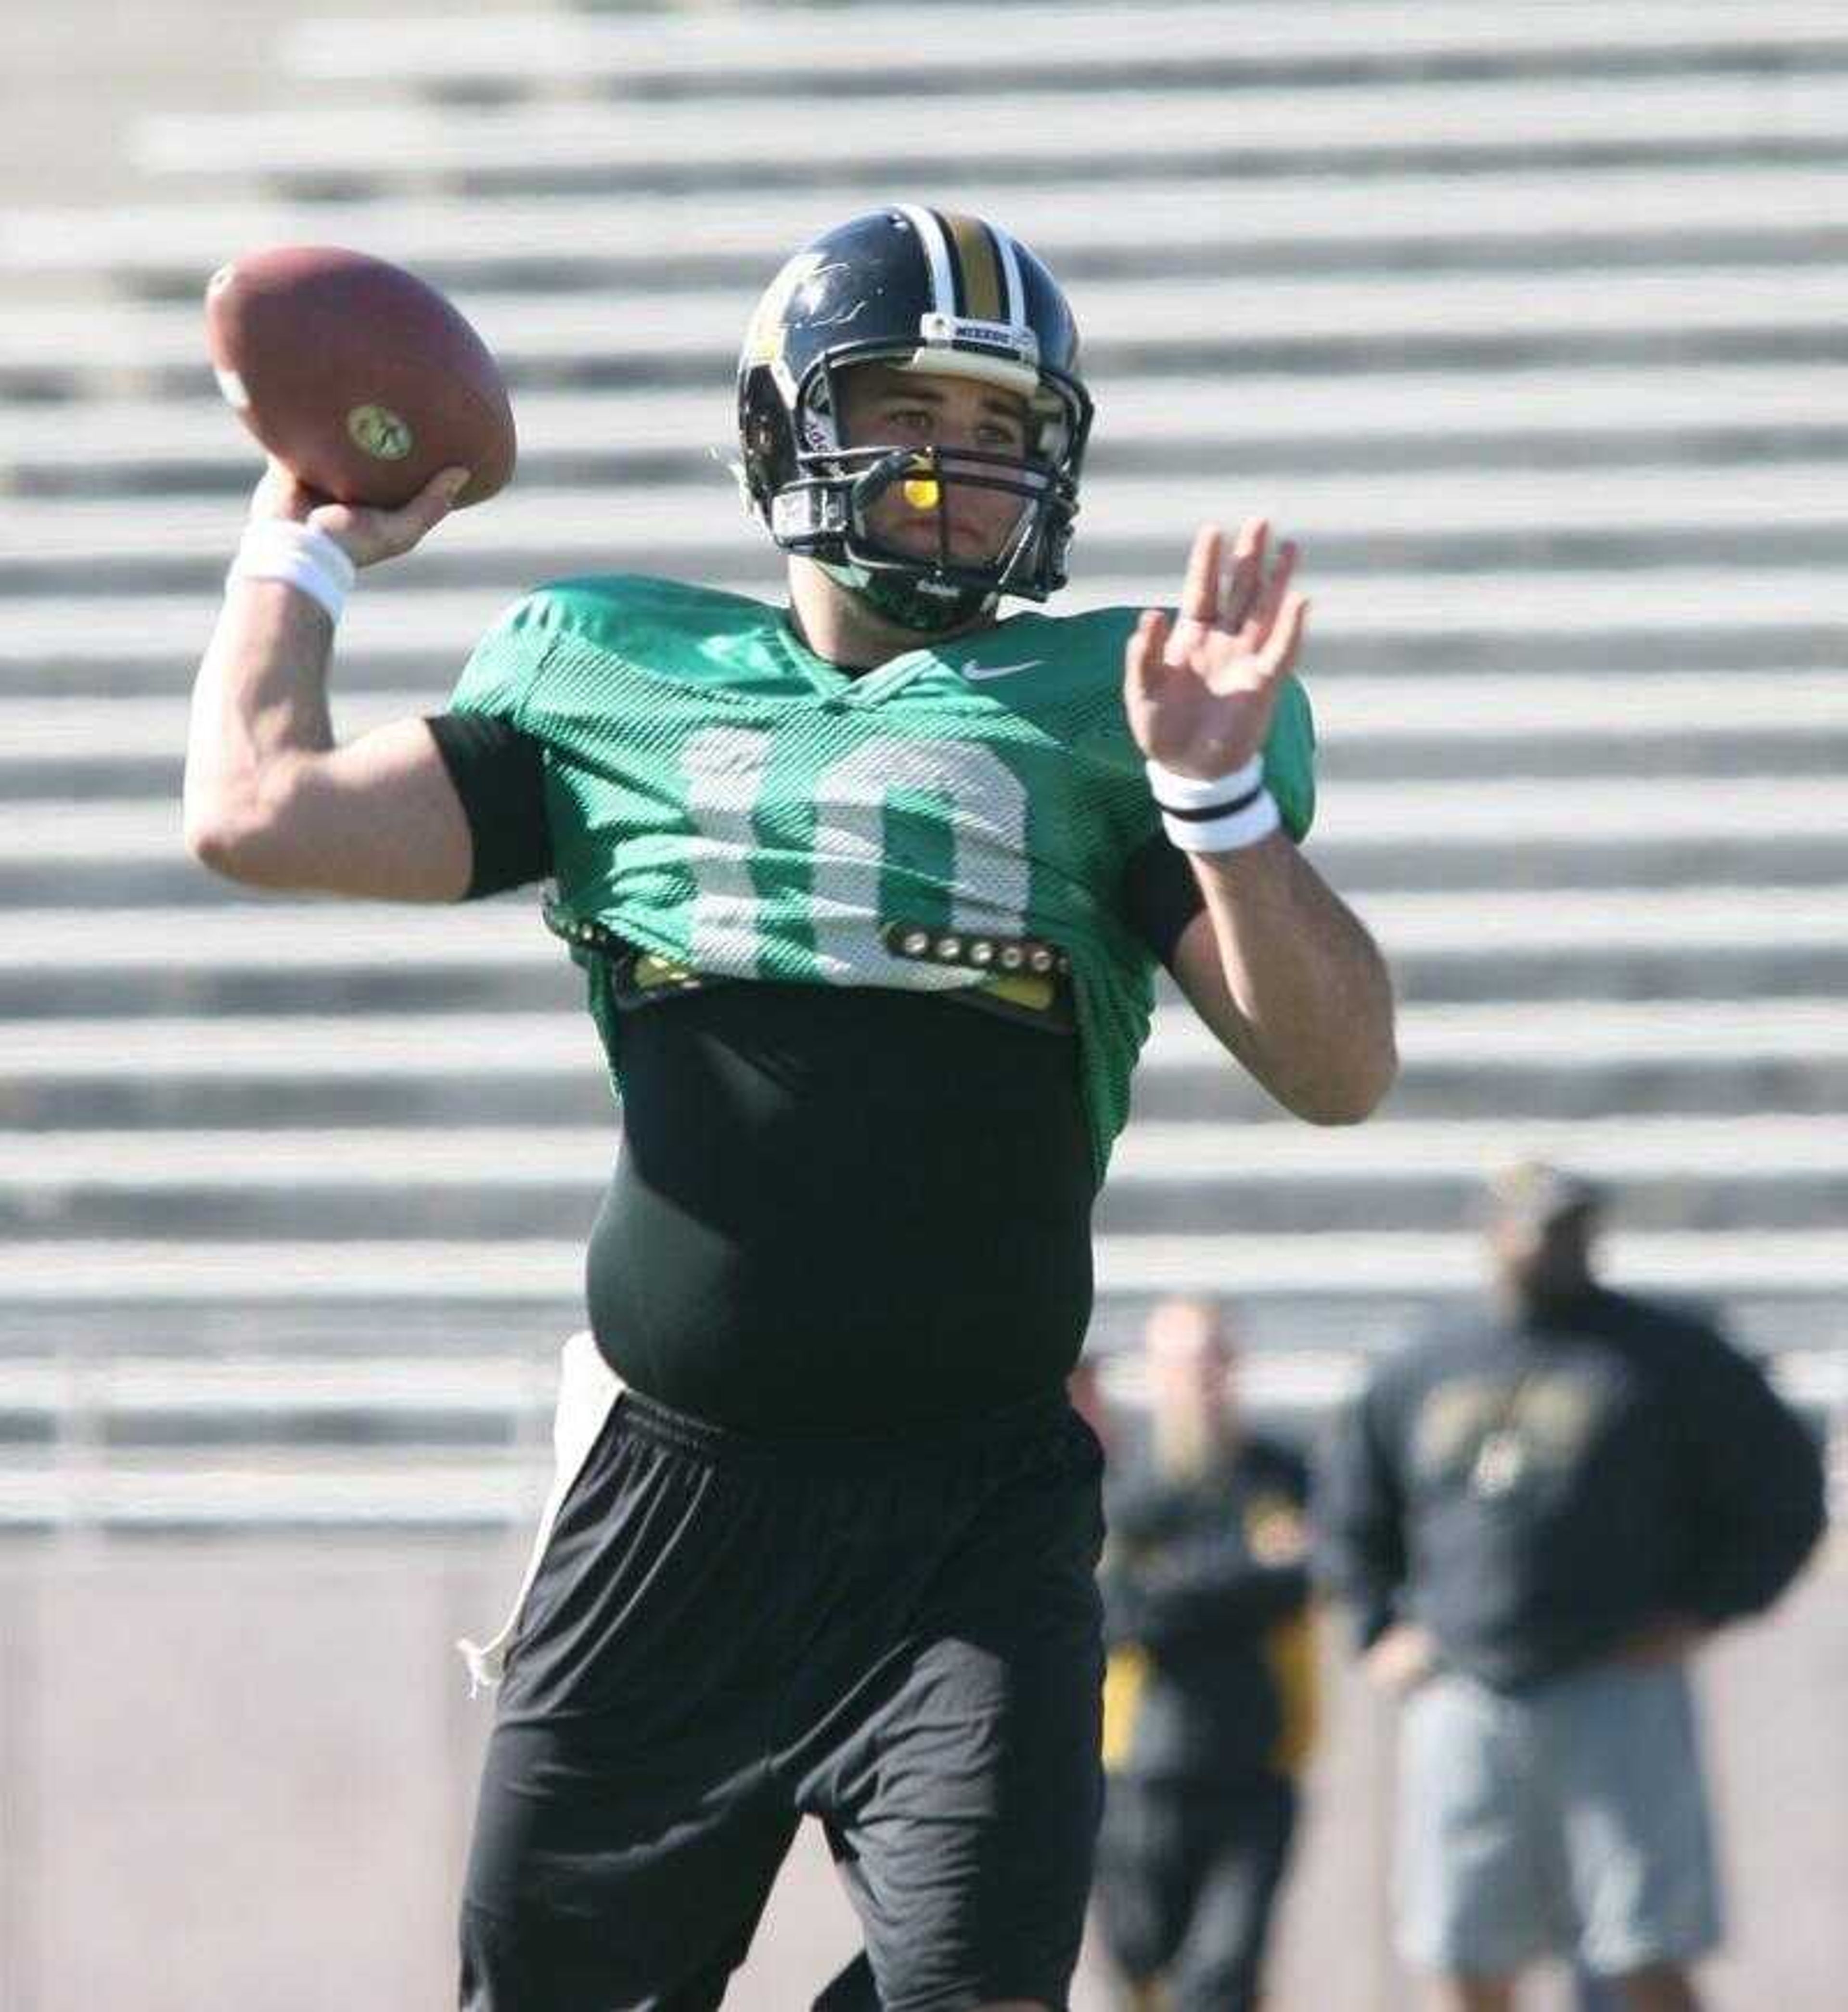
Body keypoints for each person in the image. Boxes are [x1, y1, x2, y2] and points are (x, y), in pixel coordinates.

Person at [184, 205, 1397, 2012]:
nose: (955, 469)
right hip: (669, 1505)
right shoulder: (609, 669)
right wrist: (303, 558)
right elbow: (256, 807)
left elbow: (1338, 1067)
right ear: (782, 430)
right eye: (912, 407)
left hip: (968, 1524)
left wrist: (1222, 813)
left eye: (1001, 433)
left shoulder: (1110, 709)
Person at [1315, 1160, 1828, 2012]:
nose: (1554, 1245)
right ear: (1493, 1232)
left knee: (1645, 1941)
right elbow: (1350, 1504)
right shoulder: (1427, 1361)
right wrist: (1376, 1627)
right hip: (1466, 1680)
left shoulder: (1665, 1355)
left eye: (1570, 1227)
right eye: (1536, 1226)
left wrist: (1709, 1608)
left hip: (1615, 1677)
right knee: (1465, 1946)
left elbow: (1783, 1489)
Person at [1092, 1297, 1317, 2012]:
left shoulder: (1281, 1473)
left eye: (1215, 1358)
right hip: (1139, 1770)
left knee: (1222, 1978)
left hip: (1257, 1763)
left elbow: (1304, 1577)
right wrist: (1244, 1572)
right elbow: (1118, 1609)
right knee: (1144, 1972)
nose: (1203, 1378)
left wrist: (1177, 1582)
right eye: (1185, 1362)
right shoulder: (1122, 1481)